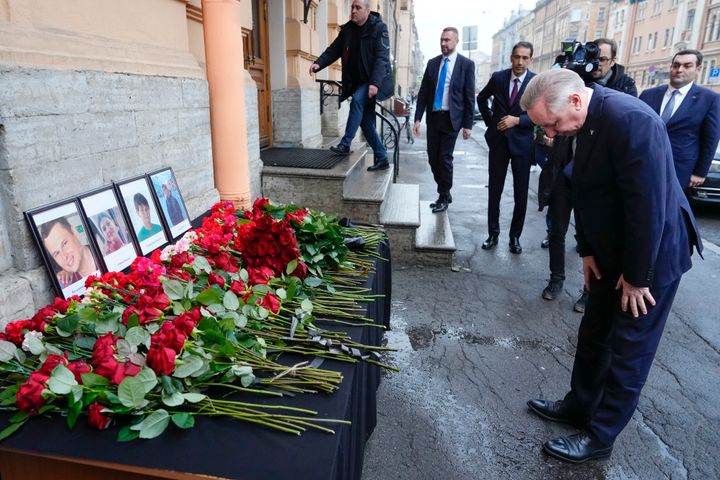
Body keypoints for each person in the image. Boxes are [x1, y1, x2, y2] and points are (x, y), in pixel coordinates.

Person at [520, 69, 702, 464]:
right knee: (594, 332)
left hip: (649, 257)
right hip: (608, 251)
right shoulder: (579, 123)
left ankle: (600, 436)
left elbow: (647, 209)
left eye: (550, 124)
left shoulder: (631, 121)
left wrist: (638, 278)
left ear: (573, 100)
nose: (549, 134)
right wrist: (587, 251)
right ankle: (579, 405)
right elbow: (581, 189)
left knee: (628, 349)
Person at [310, 0, 393, 171]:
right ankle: (382, 157)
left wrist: (375, 83)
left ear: (368, 11)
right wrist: (319, 63)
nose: (353, 11)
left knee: (357, 100)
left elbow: (382, 58)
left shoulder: (379, 28)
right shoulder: (348, 30)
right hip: (356, 81)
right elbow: (334, 50)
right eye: (352, 8)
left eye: (358, 8)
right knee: (366, 122)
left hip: (371, 82)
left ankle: (345, 144)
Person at [477, 41, 536, 253]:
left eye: (525, 58)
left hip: (522, 144)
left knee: (521, 194)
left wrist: (518, 121)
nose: (520, 62)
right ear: (511, 57)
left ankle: (515, 237)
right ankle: (493, 234)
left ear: (531, 59)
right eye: (517, 57)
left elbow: (541, 114)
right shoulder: (498, 77)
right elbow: (481, 98)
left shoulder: (535, 82)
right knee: (495, 190)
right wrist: (491, 122)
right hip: (499, 142)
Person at [412, 27, 475, 213]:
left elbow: (469, 96)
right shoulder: (432, 64)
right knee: (433, 159)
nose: (443, 43)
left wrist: (468, 125)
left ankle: (443, 195)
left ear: (456, 41)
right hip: (434, 118)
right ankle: (445, 191)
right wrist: (417, 119)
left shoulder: (466, 65)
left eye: (447, 40)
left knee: (444, 158)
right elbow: (423, 93)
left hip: (452, 119)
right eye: (441, 40)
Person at [639, 49, 720, 192]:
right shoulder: (648, 95)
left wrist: (700, 172)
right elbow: (636, 129)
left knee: (670, 211)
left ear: (698, 69)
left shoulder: (709, 99)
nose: (679, 70)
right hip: (643, 163)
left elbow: (711, 139)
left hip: (680, 169)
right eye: (676, 65)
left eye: (687, 66)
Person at [40, 216, 100, 288]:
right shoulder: (69, 286)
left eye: (64, 244)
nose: (64, 257)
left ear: (74, 232)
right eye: (56, 253)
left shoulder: (104, 251)